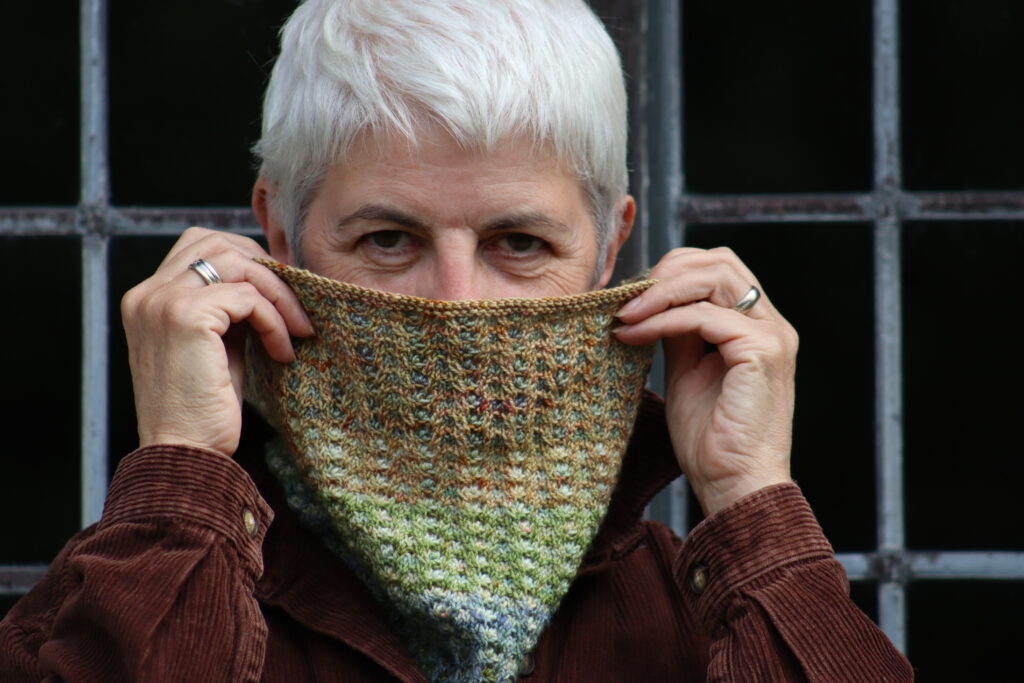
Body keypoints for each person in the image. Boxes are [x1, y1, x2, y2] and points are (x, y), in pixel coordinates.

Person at [1, 0, 912, 680]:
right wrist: (183, 478)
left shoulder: (702, 620)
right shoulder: (127, 591)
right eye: (387, 240)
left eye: (519, 243)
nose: (457, 303)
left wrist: (751, 503)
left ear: (608, 249)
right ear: (279, 235)